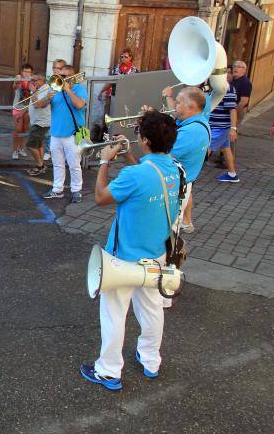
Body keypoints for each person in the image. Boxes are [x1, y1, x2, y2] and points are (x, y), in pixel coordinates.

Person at [80, 110, 180, 391]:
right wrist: (127, 155)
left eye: (138, 134)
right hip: (156, 255)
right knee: (152, 309)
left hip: (123, 258)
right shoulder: (175, 169)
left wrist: (103, 161)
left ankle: (109, 370)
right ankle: (151, 360)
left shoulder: (134, 175)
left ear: (145, 140)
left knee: (113, 313)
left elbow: (101, 197)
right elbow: (148, 180)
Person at [35, 64, 88, 203]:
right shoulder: (54, 89)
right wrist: (47, 97)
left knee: (74, 164)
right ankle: (57, 189)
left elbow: (79, 105)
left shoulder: (80, 89)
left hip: (72, 134)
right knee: (57, 164)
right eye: (60, 75)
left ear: (72, 77)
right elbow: (40, 105)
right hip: (56, 133)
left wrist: (68, 90)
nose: (62, 78)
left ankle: (76, 190)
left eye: (65, 76)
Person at [162, 86, 210, 234]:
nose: (174, 106)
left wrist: (146, 129)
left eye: (178, 102)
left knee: (165, 234)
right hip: (182, 184)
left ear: (191, 107)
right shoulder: (197, 122)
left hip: (173, 188)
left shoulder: (191, 131)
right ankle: (186, 223)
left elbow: (160, 153)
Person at [208, 79, 239, 183]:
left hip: (219, 127)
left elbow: (232, 109)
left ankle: (190, 177)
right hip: (219, 127)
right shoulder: (214, 86)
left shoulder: (227, 89)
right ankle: (232, 174)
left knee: (204, 150)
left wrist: (233, 129)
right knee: (226, 149)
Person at [26, 74, 51, 176]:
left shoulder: (45, 90)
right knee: (39, 145)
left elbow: (37, 105)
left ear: (42, 80)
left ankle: (40, 165)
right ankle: (42, 165)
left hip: (41, 123)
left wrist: (33, 92)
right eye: (31, 80)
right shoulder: (39, 89)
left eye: (35, 80)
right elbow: (32, 104)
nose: (32, 82)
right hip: (37, 121)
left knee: (30, 145)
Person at [11, 63, 34, 160]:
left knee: (25, 129)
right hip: (18, 108)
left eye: (29, 72)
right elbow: (14, 87)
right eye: (25, 71)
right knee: (18, 130)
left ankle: (21, 148)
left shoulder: (33, 81)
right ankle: (15, 150)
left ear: (31, 73)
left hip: (28, 108)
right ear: (22, 72)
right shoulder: (18, 79)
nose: (27, 73)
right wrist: (17, 81)